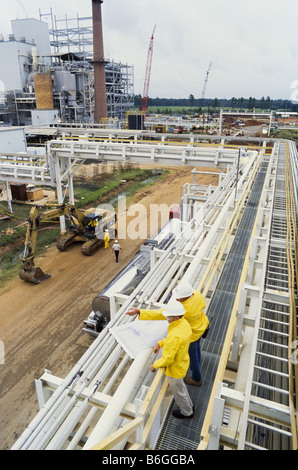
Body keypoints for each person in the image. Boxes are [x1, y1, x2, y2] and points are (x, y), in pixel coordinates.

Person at [126, 280, 208, 387]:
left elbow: (161, 314)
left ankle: (196, 379)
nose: (177, 299)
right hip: (201, 326)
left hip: (192, 334)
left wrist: (140, 312)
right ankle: (198, 366)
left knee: (192, 355)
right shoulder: (197, 294)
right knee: (196, 349)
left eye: (179, 298)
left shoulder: (185, 309)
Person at [148, 300, 194, 419]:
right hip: (182, 363)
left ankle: (187, 412)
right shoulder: (184, 324)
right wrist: (160, 343)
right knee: (181, 388)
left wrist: (155, 365)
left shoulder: (175, 334)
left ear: (176, 316)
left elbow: (168, 359)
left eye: (169, 316)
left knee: (178, 392)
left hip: (175, 370)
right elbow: (172, 341)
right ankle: (190, 406)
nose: (167, 318)